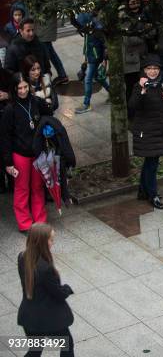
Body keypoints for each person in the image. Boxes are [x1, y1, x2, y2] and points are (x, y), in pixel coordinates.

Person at [0, 74, 53, 232]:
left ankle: (40, 220)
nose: (22, 91)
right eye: (19, 88)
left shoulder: (36, 102)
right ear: (14, 89)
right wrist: (8, 162)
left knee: (37, 187)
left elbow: (49, 112)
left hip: (37, 152)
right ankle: (24, 224)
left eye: (25, 87)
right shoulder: (10, 109)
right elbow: (5, 137)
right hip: (20, 155)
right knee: (22, 189)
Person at [17, 223, 75, 357]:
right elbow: (58, 294)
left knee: (35, 350)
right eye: (50, 239)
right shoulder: (46, 269)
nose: (52, 243)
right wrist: (67, 289)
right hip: (49, 318)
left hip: (29, 316)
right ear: (41, 242)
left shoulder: (22, 257)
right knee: (67, 346)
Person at [128, 55, 163, 210]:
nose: (153, 71)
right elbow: (132, 107)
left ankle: (143, 191)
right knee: (151, 164)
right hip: (146, 131)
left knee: (151, 163)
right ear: (144, 70)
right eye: (149, 68)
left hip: (159, 129)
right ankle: (152, 194)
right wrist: (142, 90)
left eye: (155, 68)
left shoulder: (161, 85)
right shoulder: (139, 86)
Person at [119, 0, 156, 116]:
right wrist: (144, 36)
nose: (135, 4)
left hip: (143, 58)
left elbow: (153, 31)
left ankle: (140, 112)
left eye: (137, 1)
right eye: (132, 1)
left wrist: (143, 34)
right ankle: (130, 114)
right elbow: (128, 39)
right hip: (130, 60)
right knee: (131, 88)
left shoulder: (144, 15)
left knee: (143, 86)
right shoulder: (124, 17)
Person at [72, 13, 110, 114]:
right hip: (92, 57)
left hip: (96, 58)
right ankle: (113, 94)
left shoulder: (98, 30)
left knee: (87, 80)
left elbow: (105, 46)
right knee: (98, 77)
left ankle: (86, 104)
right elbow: (87, 44)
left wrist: (104, 62)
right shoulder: (87, 29)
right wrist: (85, 58)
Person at [36, 11, 69, 85]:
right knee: (51, 54)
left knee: (44, 57)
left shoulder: (44, 1)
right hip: (45, 30)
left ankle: (44, 79)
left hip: (43, 31)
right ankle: (62, 75)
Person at [0, 68, 12, 194]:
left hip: (6, 119)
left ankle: (10, 180)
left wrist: (7, 95)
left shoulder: (7, 75)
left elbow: (18, 91)